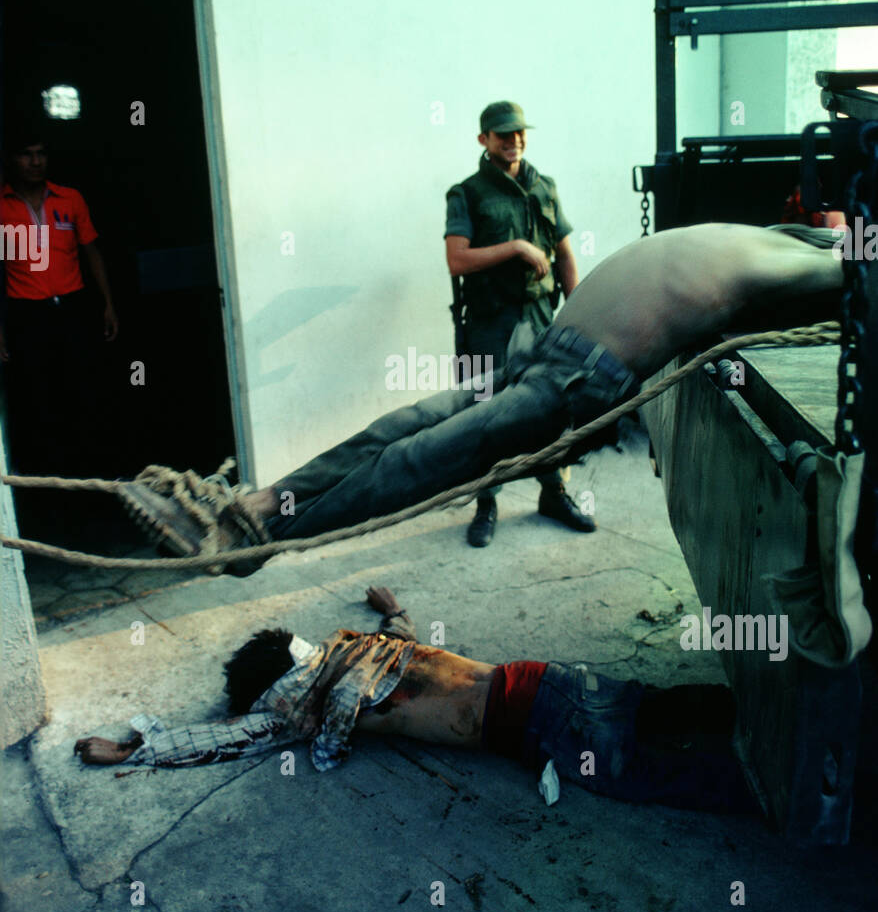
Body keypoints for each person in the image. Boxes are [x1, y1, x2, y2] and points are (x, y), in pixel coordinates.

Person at [114, 221, 844, 575]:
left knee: (420, 459)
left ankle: (254, 547)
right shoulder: (789, 237)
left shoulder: (813, 268)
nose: (843, 224)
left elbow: (847, 284)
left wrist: (846, 252)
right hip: (549, 349)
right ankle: (255, 505)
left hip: (579, 380)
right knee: (394, 427)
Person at [74, 586, 754, 815]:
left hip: (535, 724)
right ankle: (771, 713)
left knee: (652, 776)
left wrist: (138, 745)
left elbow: (241, 736)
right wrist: (392, 605)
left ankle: (779, 789)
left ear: (278, 691)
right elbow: (395, 638)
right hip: (549, 678)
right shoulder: (351, 648)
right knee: (661, 707)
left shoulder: (323, 694)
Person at [445, 101, 591, 545]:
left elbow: (564, 252)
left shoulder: (543, 187)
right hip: (492, 323)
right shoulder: (466, 193)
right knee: (488, 416)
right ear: (484, 140)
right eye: (503, 135)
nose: (513, 141)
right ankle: (487, 502)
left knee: (550, 411)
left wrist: (577, 308)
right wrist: (516, 247)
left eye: (519, 133)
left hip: (541, 318)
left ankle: (553, 492)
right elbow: (457, 259)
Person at [0, 127, 118, 484]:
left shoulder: (69, 199)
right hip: (27, 314)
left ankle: (92, 472)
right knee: (38, 396)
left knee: (83, 388)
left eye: (41, 153)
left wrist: (108, 304)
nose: (35, 162)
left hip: (72, 308)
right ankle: (49, 482)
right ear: (12, 160)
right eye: (26, 154)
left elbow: (91, 251)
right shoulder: (2, 207)